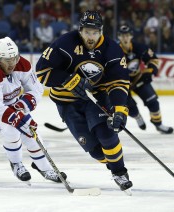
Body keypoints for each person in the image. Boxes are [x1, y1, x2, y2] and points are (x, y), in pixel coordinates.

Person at [36, 11, 133, 192]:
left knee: (106, 133)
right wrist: (69, 80)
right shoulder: (64, 43)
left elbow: (118, 82)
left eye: (95, 32)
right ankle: (112, 163)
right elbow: (42, 73)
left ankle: (119, 172)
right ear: (80, 30)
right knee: (95, 151)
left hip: (95, 97)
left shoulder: (112, 49)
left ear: (101, 31)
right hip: (66, 102)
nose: (91, 36)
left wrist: (120, 109)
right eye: (87, 32)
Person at [0, 36, 67, 184]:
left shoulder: (22, 65)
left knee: (31, 131)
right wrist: (16, 118)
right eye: (7, 60)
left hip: (8, 101)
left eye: (14, 58)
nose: (12, 63)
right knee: (9, 127)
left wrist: (20, 106)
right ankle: (16, 164)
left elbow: (36, 90)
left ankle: (44, 167)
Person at [117, 24, 174, 134]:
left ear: (131, 36)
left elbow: (153, 59)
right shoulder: (114, 50)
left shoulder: (139, 47)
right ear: (119, 37)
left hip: (138, 78)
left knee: (153, 102)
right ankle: (137, 116)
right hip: (122, 82)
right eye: (122, 36)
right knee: (130, 107)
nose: (125, 38)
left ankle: (158, 124)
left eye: (127, 35)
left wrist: (151, 70)